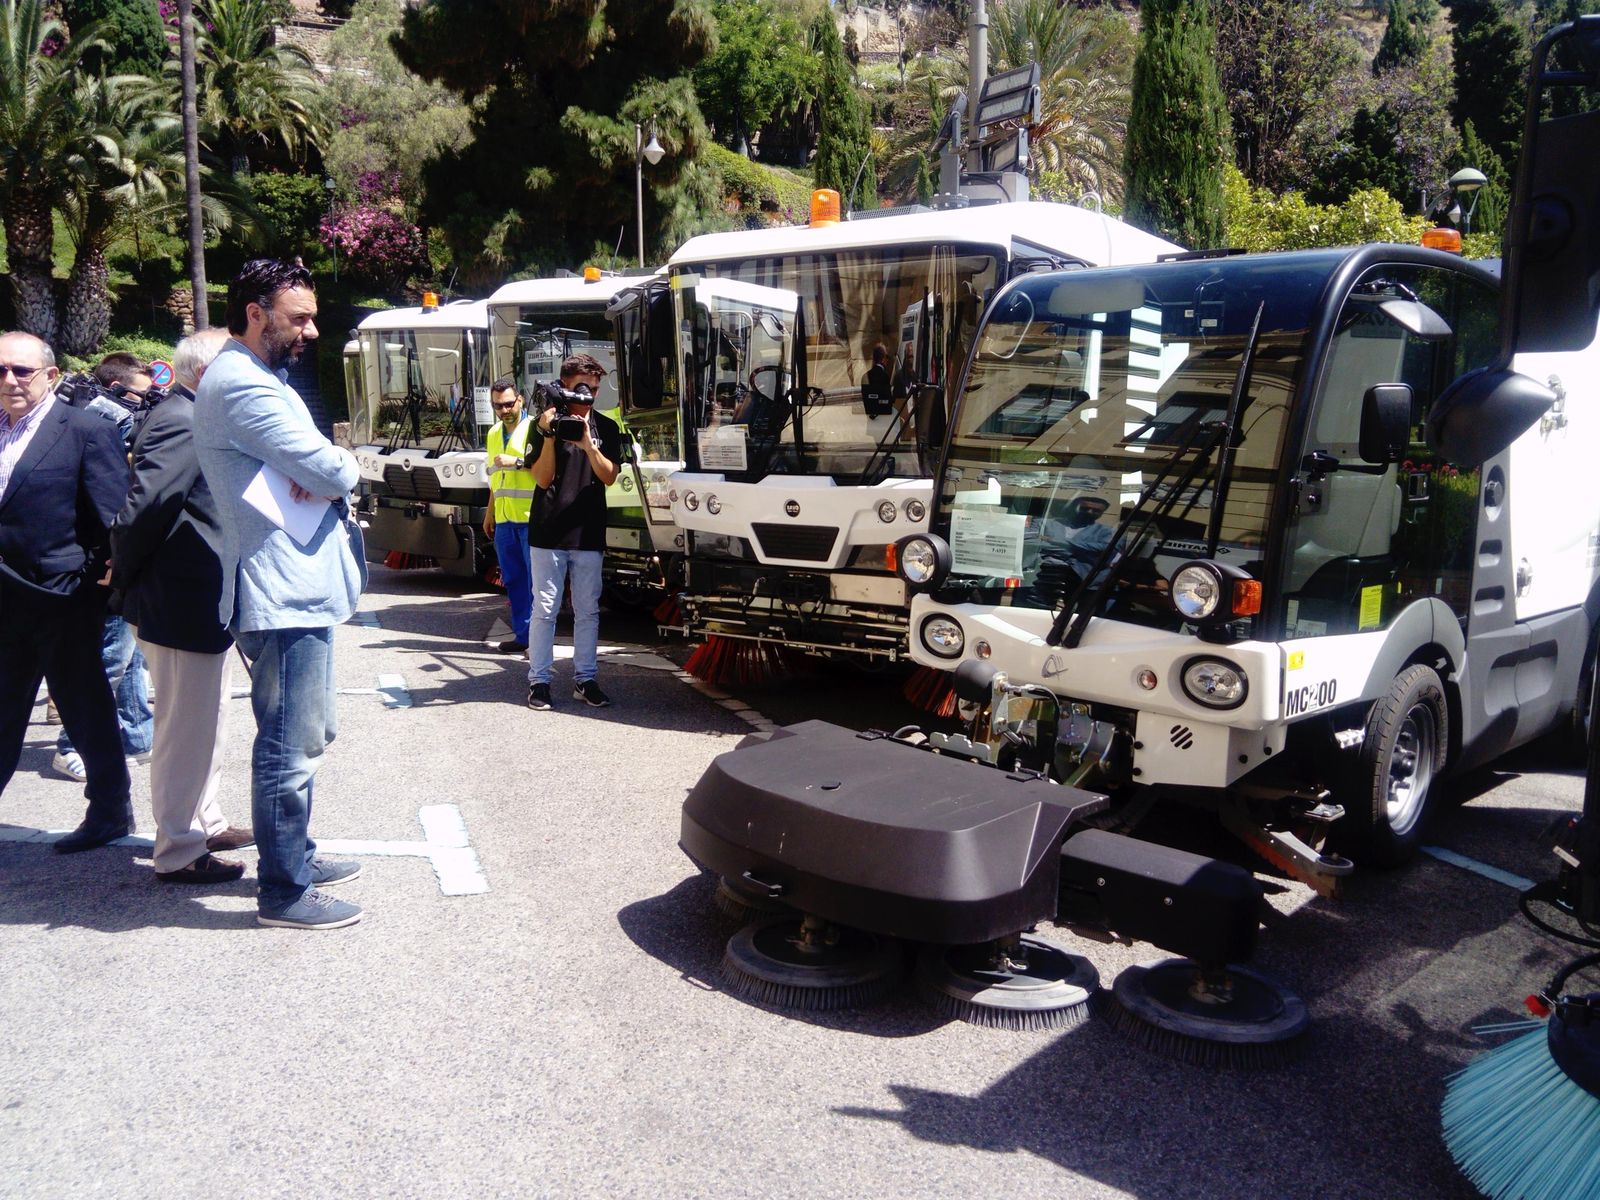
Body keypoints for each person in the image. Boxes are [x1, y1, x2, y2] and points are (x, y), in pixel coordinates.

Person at [195, 259, 366, 930]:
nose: (313, 331)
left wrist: (318, 471)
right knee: (288, 746)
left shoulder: (253, 378)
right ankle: (284, 890)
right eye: (299, 318)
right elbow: (328, 465)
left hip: (290, 589)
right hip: (280, 592)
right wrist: (339, 468)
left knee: (305, 733)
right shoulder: (244, 385)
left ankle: (294, 854)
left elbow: (311, 468)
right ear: (256, 313)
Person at [112, 327, 253, 885]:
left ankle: (204, 820)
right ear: (206, 372)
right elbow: (145, 508)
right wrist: (121, 577)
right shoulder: (184, 418)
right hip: (179, 599)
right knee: (183, 730)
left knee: (208, 722)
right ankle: (177, 848)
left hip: (200, 599)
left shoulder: (198, 415)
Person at [0, 331, 136, 853]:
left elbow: (111, 517)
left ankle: (109, 810)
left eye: (22, 371)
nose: (10, 380)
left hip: (62, 599)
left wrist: (101, 582)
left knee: (86, 710)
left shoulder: (83, 431)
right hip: (6, 603)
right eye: (2, 370)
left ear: (51, 376)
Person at [50, 350, 157, 784]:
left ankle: (135, 735)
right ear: (113, 391)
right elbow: (106, 501)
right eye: (141, 396)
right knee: (110, 656)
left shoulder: (108, 424)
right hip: (102, 559)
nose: (148, 405)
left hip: (117, 556)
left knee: (130, 656)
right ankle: (69, 745)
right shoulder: (96, 427)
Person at [524, 353, 621, 711]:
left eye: (594, 390)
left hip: (588, 530)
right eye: (582, 388)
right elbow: (542, 478)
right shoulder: (543, 424)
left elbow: (609, 476)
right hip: (548, 530)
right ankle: (540, 681)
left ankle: (586, 679)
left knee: (587, 610)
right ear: (564, 386)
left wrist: (588, 444)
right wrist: (550, 436)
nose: (588, 397)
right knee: (545, 609)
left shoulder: (606, 428)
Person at [482, 377, 535, 655]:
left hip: (530, 518)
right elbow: (495, 480)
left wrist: (516, 462)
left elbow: (545, 470)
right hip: (504, 520)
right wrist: (489, 513)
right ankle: (523, 636)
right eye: (497, 406)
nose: (504, 410)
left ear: (520, 400)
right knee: (513, 580)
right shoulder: (492, 434)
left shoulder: (536, 428)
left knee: (536, 583)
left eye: (508, 404)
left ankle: (537, 640)